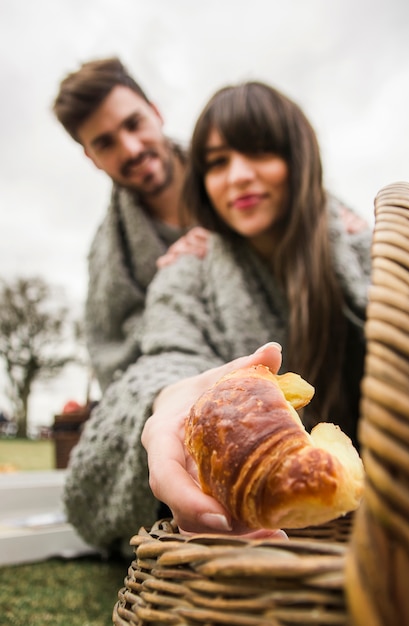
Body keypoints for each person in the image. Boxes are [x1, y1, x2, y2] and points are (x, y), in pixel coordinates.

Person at [62, 81, 372, 552]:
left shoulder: (358, 247)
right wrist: (167, 398)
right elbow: (165, 351)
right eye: (219, 162)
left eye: (262, 152)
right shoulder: (184, 268)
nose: (239, 176)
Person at [52, 57, 208, 392]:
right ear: (91, 158)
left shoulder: (238, 171)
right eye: (105, 143)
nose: (131, 149)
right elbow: (113, 359)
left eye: (134, 123)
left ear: (156, 112)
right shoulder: (107, 258)